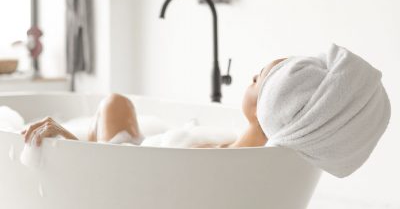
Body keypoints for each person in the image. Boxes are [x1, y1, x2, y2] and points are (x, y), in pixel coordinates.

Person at [22, 59, 287, 148]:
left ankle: (88, 145)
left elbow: (115, 180)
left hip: (128, 163)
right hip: (138, 152)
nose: (253, 75)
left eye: (260, 76)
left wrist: (68, 139)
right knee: (116, 103)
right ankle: (93, 142)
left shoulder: (225, 158)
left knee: (114, 102)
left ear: (267, 106)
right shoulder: (242, 145)